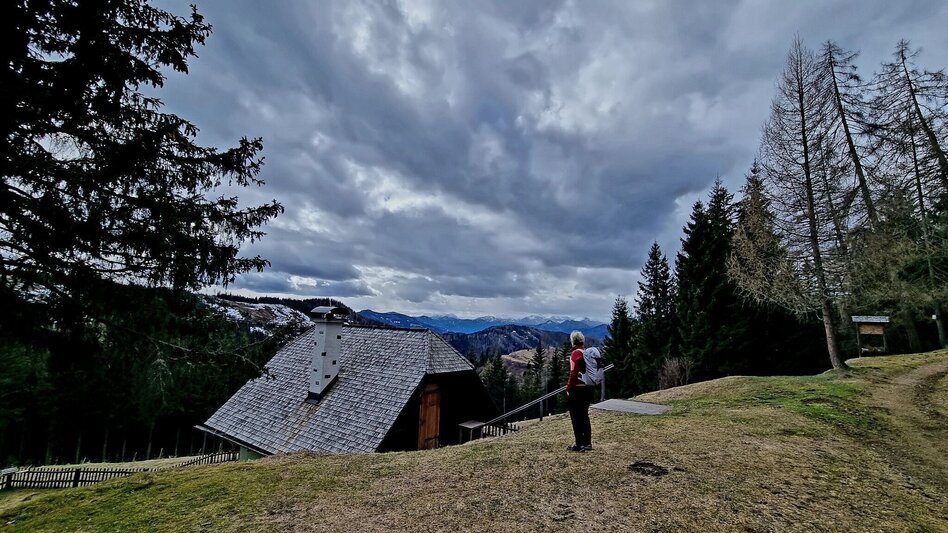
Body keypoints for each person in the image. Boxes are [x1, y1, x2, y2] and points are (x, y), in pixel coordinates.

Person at [565, 330, 592, 452]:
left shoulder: (575, 353)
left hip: (577, 389)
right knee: (584, 416)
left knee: (575, 417)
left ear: (573, 341)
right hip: (587, 388)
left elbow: (573, 372)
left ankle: (579, 443)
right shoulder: (586, 352)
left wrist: (568, 387)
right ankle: (587, 443)